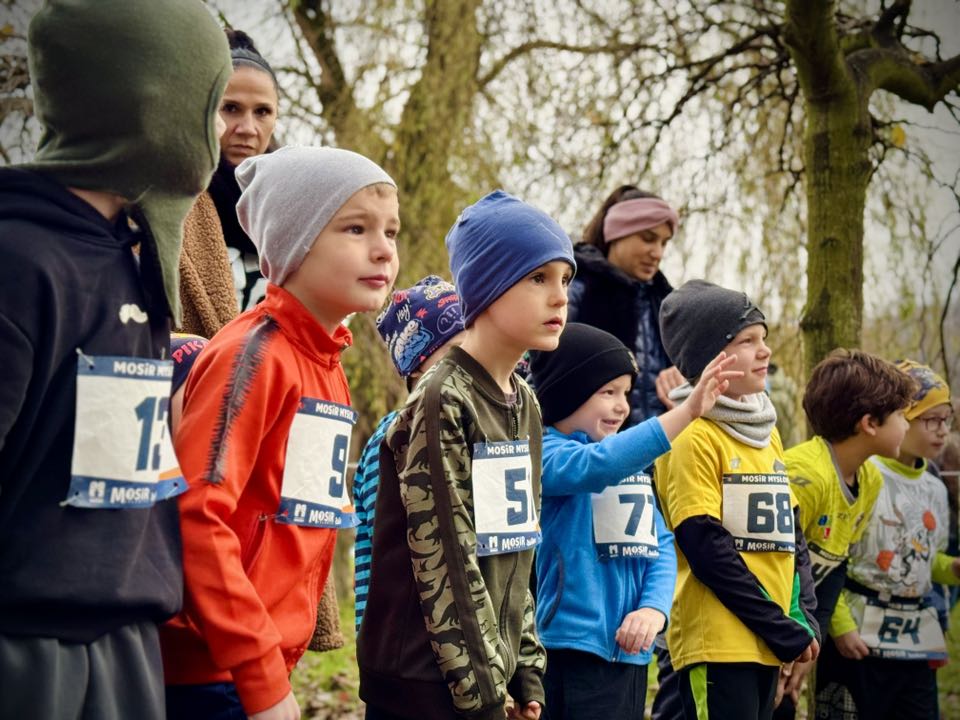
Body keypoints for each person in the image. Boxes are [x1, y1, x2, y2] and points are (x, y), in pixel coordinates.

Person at [0, 2, 230, 718]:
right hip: (31, 653)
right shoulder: (21, 261)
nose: (222, 132)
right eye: (214, 105)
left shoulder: (132, 258)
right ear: (151, 105)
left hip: (127, 647)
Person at [160, 146, 400, 720]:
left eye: (391, 231)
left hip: (265, 666)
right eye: (355, 228)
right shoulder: (254, 355)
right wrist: (260, 677)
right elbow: (198, 512)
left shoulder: (327, 362)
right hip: (212, 674)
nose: (384, 248)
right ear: (294, 241)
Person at [357, 190, 575, 720]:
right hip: (422, 681)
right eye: (537, 278)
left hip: (486, 681)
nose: (559, 298)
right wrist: (482, 695)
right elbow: (446, 560)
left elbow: (518, 543)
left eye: (565, 280)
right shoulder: (441, 398)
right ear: (487, 288)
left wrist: (526, 675)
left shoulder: (523, 401)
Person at [527, 323, 740, 720]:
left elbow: (660, 545)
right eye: (608, 392)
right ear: (567, 392)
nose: (622, 406)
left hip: (632, 653)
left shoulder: (630, 468)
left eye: (625, 393)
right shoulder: (546, 455)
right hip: (569, 653)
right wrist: (687, 412)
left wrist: (652, 610)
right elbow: (597, 466)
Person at [653, 280, 820, 720]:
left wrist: (801, 618)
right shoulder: (691, 434)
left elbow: (791, 535)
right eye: (747, 341)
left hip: (768, 642)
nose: (764, 350)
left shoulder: (769, 433)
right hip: (718, 646)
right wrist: (778, 626)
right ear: (711, 359)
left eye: (763, 338)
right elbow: (704, 545)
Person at [772, 349, 916, 719]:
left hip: (798, 630)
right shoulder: (805, 477)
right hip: (760, 629)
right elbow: (770, 568)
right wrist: (784, 644)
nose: (907, 424)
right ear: (869, 423)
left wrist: (810, 643)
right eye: (901, 414)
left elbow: (833, 570)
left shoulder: (871, 480)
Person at [816, 360, 960, 720]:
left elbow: (928, 560)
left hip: (914, 639)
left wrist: (953, 568)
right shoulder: (866, 475)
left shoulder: (936, 489)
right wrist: (841, 626)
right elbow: (832, 558)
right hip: (860, 636)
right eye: (932, 419)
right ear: (901, 417)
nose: (943, 431)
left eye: (948, 420)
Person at [353, 275, 466, 632]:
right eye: (456, 352)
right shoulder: (391, 440)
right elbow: (383, 545)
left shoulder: (474, 428)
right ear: (417, 362)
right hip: (402, 635)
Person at [179, 28, 280, 336]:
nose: (248, 128)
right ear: (205, 111)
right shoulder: (169, 201)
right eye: (231, 108)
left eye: (262, 111)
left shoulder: (295, 211)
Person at [569, 185, 683, 426]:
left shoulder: (668, 303)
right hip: (590, 451)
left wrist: (687, 377)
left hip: (661, 449)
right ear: (616, 234)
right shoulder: (574, 288)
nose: (657, 253)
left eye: (664, 243)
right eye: (648, 238)